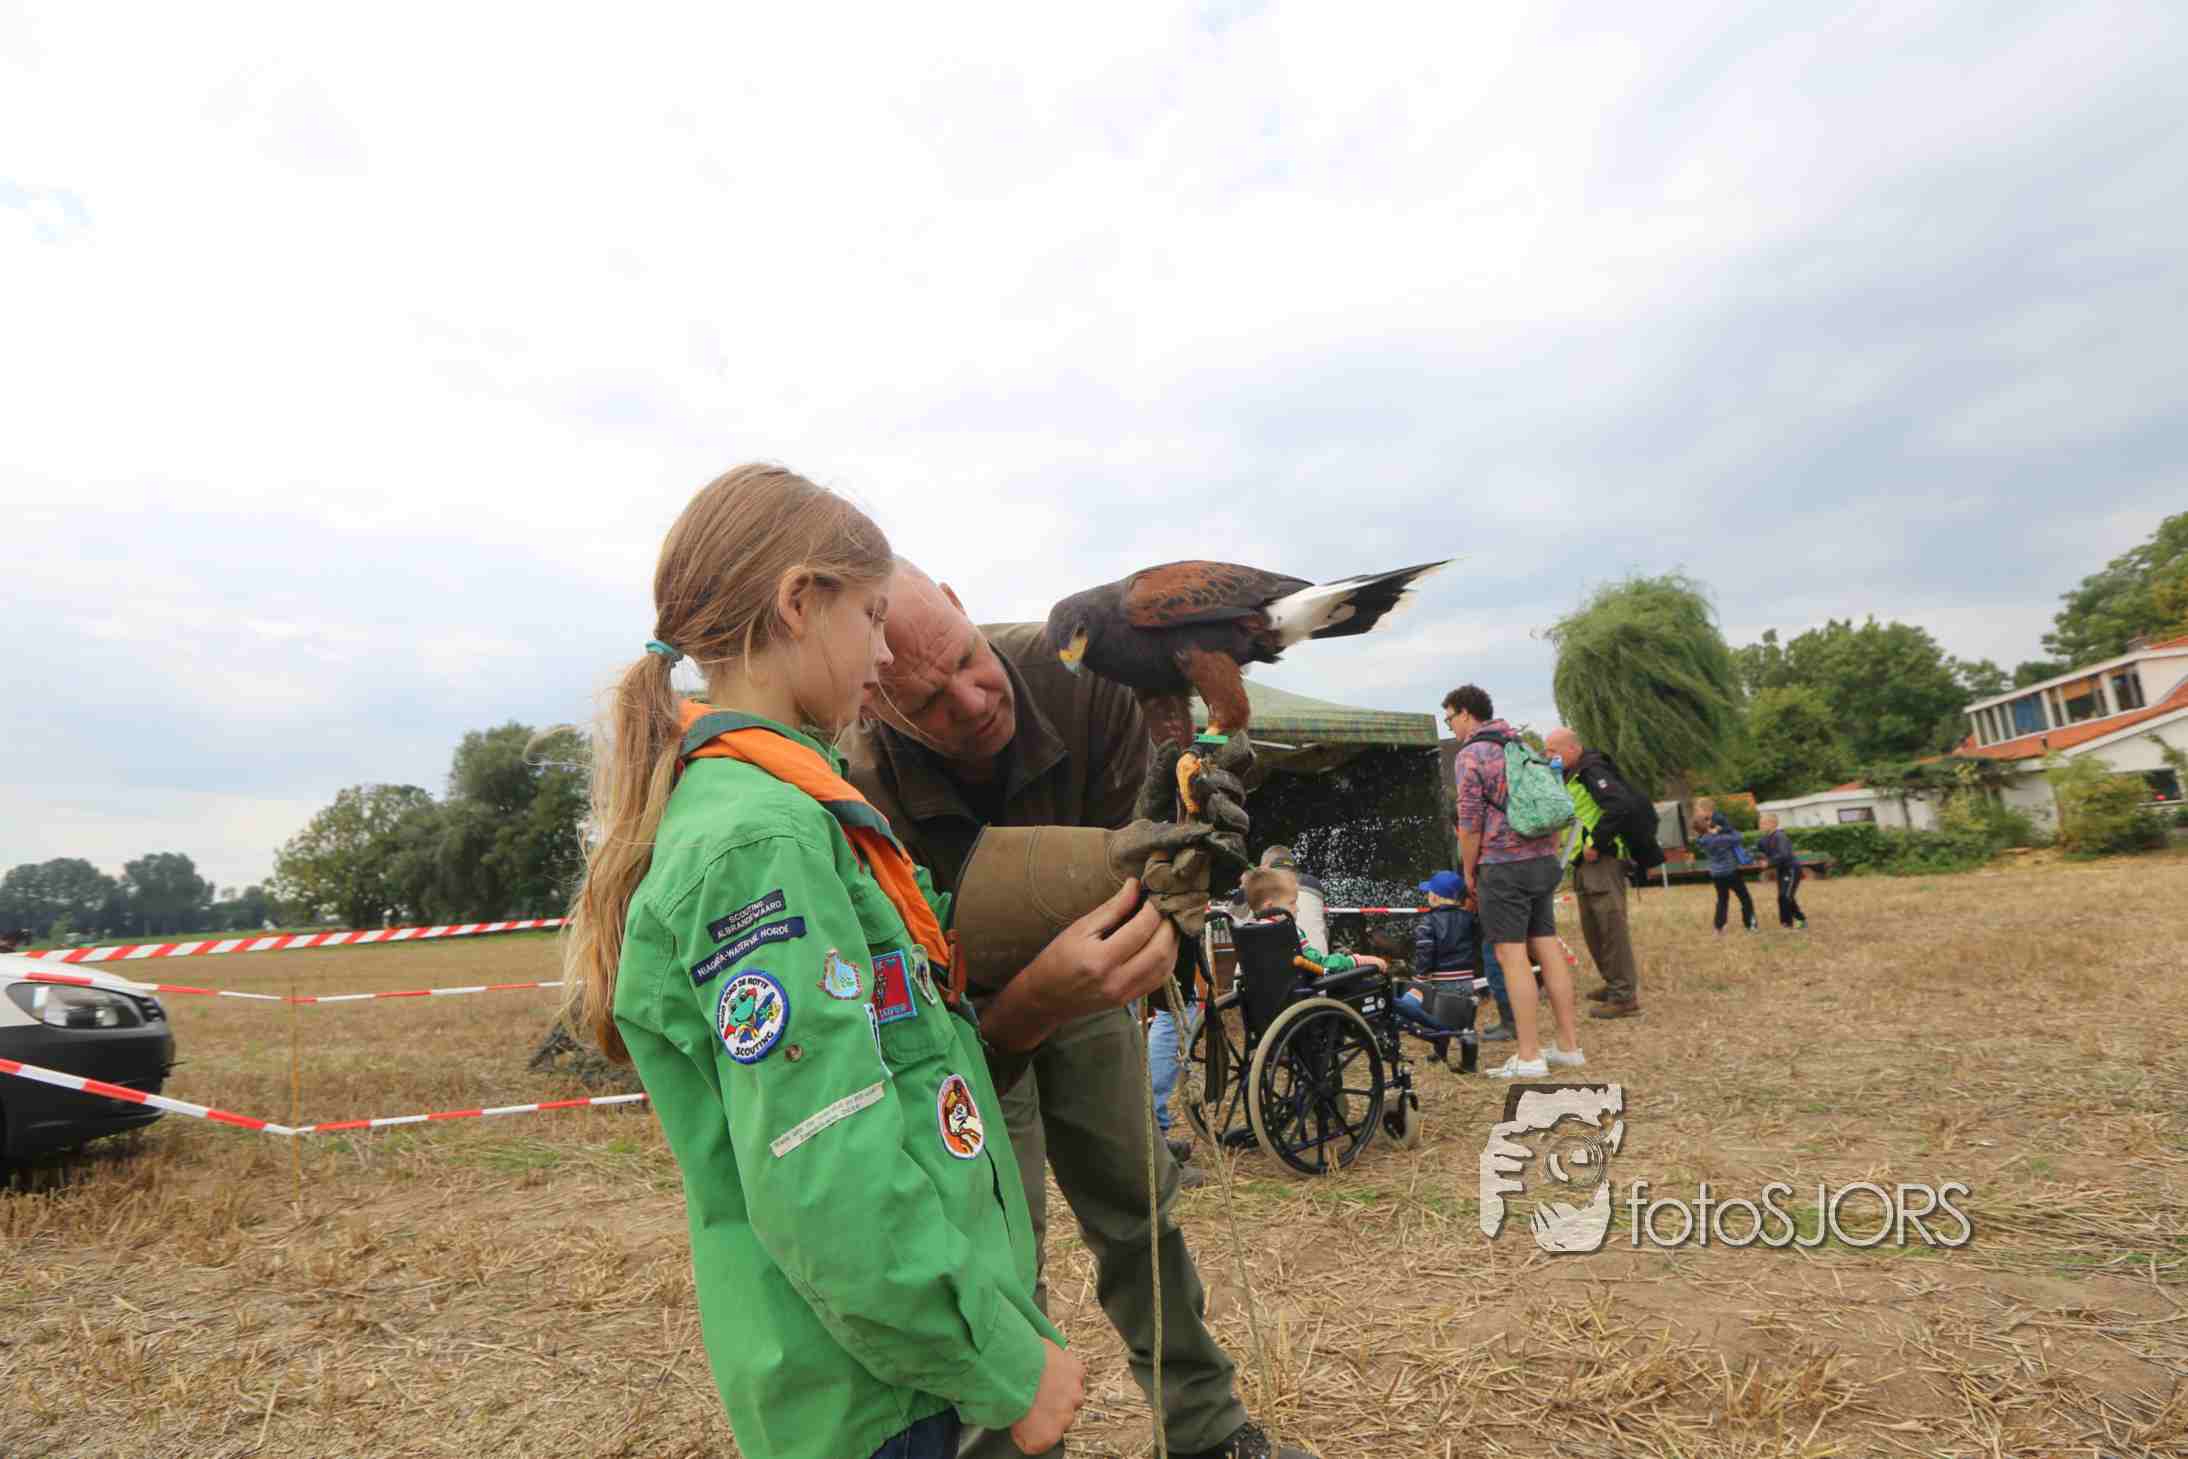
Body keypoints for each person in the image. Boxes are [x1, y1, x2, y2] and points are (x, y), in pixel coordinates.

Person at [561, 466, 1103, 1459]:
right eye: (873, 616)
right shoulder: (760, 841)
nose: (885, 653)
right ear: (799, 603)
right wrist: (1002, 1361)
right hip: (875, 1396)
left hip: (890, 1372)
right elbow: (826, 1172)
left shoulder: (791, 808)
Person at [847, 561, 1314, 1459]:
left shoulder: (1091, 672)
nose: (973, 700)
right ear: (876, 700)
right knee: (994, 1243)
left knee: (1140, 1208)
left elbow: (1156, 870)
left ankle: (1206, 1429)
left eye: (969, 659)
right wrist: (1028, 1004)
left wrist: (1195, 847)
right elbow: (922, 991)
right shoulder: (864, 786)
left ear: (960, 604)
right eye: (931, 701)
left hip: (1095, 969)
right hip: (961, 1022)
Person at [1443, 685, 1583, 1080]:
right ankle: (1568, 1046)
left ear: (1466, 713)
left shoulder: (1471, 755)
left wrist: (1468, 871)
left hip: (1503, 866)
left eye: (1450, 718)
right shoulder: (1521, 745)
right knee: (1547, 947)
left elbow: (1469, 823)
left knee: (1511, 955)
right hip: (1541, 860)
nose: (1451, 726)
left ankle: (1529, 1055)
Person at [1542, 728, 1644, 1019]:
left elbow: (1619, 807)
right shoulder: (1571, 775)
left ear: (1573, 748)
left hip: (1602, 861)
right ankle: (1613, 983)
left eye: (1553, 750)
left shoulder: (1592, 770)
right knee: (1594, 929)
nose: (1549, 756)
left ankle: (1624, 996)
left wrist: (1597, 843)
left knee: (1611, 928)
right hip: (1583, 863)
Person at [1241, 866, 1387, 981]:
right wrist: (1356, 960)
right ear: (1269, 907)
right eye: (1292, 903)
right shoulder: (1287, 933)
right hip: (1300, 997)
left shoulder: (1249, 932)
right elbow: (1320, 965)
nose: (1297, 908)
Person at [1407, 869, 1484, 1062]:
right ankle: (1469, 1063)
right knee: (1466, 1022)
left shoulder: (1428, 921)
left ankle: (1440, 1055)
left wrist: (1420, 976)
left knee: (1440, 1021)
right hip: (1466, 980)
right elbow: (1476, 942)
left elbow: (1425, 951)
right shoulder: (1469, 919)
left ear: (1435, 897)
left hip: (1442, 981)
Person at [1692, 814, 1758, 933]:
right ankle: (1750, 925)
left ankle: (1719, 927)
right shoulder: (1721, 839)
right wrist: (1723, 829)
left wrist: (1713, 831)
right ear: (1707, 824)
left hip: (1716, 875)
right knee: (1745, 898)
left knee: (1722, 900)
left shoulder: (1702, 840)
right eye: (1708, 820)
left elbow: (1702, 837)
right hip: (1731, 872)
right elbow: (1739, 837)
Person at [1757, 814, 1807, 929]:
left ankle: (1798, 921)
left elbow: (1784, 855)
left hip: (1791, 869)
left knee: (1785, 896)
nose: (1760, 825)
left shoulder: (1780, 836)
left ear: (1773, 824)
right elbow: (1759, 850)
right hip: (1782, 870)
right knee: (1783, 896)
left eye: (1763, 823)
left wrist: (1769, 863)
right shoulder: (1765, 839)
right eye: (1760, 823)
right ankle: (1787, 923)